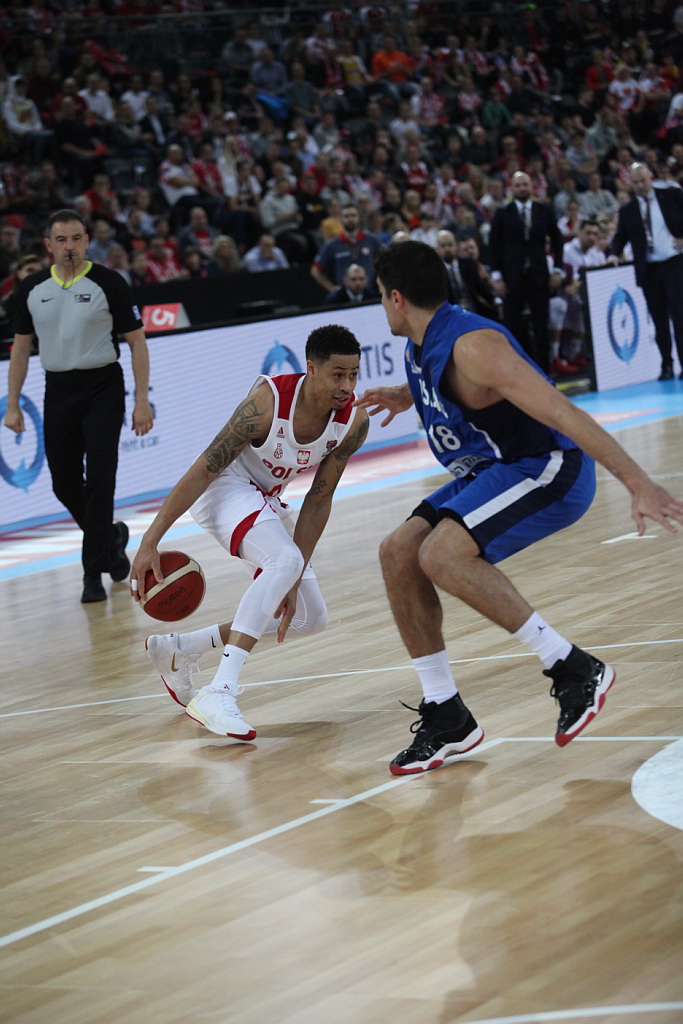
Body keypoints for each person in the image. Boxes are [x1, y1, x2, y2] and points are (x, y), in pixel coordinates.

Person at [354, 240, 683, 775]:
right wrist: (404, 395)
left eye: (379, 296)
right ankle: (446, 713)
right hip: (495, 467)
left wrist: (638, 483)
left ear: (396, 298)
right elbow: (446, 384)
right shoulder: (422, 343)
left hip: (549, 466)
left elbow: (563, 411)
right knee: (398, 553)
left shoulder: (473, 346)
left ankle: (572, 667)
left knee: (441, 555)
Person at [130, 325, 369, 739]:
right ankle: (219, 691)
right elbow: (205, 468)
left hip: (265, 497)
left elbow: (318, 500)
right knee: (284, 560)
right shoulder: (266, 403)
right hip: (224, 487)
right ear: (311, 369)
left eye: (353, 375)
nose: (347, 386)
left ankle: (180, 648)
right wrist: (150, 540)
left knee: (310, 617)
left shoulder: (354, 422)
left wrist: (293, 575)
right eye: (337, 375)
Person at [3, 209, 154, 604]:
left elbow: (137, 342)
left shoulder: (110, 282)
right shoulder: (32, 288)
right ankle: (112, 539)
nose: (69, 246)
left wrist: (141, 400)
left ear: (87, 242)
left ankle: (92, 575)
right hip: (58, 389)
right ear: (49, 246)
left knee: (101, 478)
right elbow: (20, 349)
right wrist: (13, 404)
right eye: (61, 240)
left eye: (76, 238)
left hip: (103, 386)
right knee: (63, 483)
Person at [608, 162, 683, 381]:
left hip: (674, 262)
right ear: (630, 184)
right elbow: (620, 236)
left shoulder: (672, 195)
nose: (641, 185)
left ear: (650, 178)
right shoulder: (628, 210)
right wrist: (613, 254)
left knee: (679, 315)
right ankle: (666, 364)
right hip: (649, 269)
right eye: (636, 182)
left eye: (643, 180)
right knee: (658, 319)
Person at [489, 171, 564, 373]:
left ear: (532, 187)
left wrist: (557, 270)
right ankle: (516, 372)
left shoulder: (543, 211)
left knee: (541, 326)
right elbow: (493, 246)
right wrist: (496, 277)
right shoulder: (502, 213)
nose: (522, 188)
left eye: (525, 184)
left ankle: (545, 373)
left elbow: (557, 241)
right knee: (512, 326)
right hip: (511, 278)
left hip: (539, 277)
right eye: (518, 185)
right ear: (511, 188)